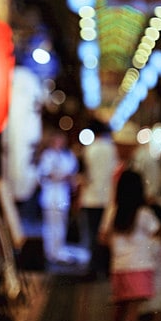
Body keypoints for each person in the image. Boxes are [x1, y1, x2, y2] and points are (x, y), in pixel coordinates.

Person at [102, 169, 161, 321]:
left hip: (118, 266)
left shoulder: (113, 211)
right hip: (139, 265)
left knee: (120, 305)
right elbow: (160, 232)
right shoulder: (143, 213)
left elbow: (103, 238)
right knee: (132, 309)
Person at [80, 118, 118, 278]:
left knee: (93, 234)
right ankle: (108, 267)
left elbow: (86, 175)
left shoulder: (90, 149)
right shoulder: (112, 148)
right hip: (108, 197)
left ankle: (94, 268)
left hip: (91, 198)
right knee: (107, 233)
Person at [37, 130, 80, 264]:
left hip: (62, 197)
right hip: (50, 197)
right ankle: (50, 252)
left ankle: (59, 250)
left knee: (61, 224)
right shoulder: (47, 156)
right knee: (51, 225)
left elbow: (72, 174)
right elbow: (45, 173)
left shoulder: (67, 156)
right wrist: (60, 176)